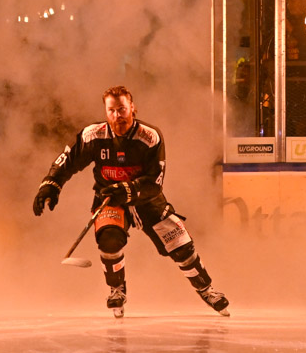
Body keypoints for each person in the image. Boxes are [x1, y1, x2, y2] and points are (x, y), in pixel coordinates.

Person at [32, 85, 229, 318]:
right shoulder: (93, 135)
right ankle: (117, 289)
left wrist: (127, 189)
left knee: (181, 245)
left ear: (132, 108)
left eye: (122, 109)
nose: (118, 116)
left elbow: (155, 182)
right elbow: (68, 161)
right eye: (112, 110)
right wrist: (51, 184)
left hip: (146, 199)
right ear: (106, 112)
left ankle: (206, 290)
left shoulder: (150, 137)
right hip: (109, 199)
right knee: (109, 239)